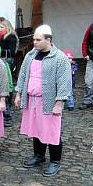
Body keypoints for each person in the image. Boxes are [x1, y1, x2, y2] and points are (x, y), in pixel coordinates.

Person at [14, 24, 71, 177]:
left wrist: (59, 103)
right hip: (32, 100)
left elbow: (65, 82)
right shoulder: (31, 55)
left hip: (49, 102)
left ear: (49, 40)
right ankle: (39, 155)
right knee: (36, 129)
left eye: (38, 40)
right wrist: (19, 93)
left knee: (52, 132)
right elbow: (23, 75)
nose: (35, 42)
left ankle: (55, 161)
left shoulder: (60, 58)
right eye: (34, 39)